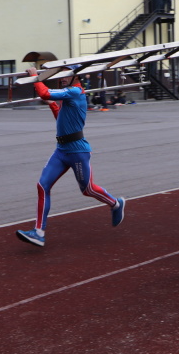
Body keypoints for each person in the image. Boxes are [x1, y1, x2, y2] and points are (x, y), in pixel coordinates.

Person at [16, 65, 125, 247]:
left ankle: (116, 204)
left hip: (78, 151)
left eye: (67, 74)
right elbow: (61, 118)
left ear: (76, 76)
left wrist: (36, 76)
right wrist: (52, 105)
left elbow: (44, 94)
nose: (63, 77)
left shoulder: (74, 92)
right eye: (62, 74)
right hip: (61, 150)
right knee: (42, 186)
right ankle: (38, 233)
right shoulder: (68, 94)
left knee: (87, 189)